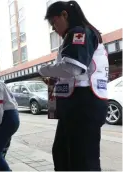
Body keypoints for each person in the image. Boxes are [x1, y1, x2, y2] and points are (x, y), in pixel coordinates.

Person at [39, 1, 109, 171]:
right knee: (63, 154)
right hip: (75, 105)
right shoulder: (74, 37)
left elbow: (74, 68)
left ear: (65, 15)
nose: (54, 28)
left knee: (82, 160)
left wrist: (44, 70)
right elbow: (72, 72)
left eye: (54, 22)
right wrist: (56, 80)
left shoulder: (80, 33)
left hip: (83, 104)